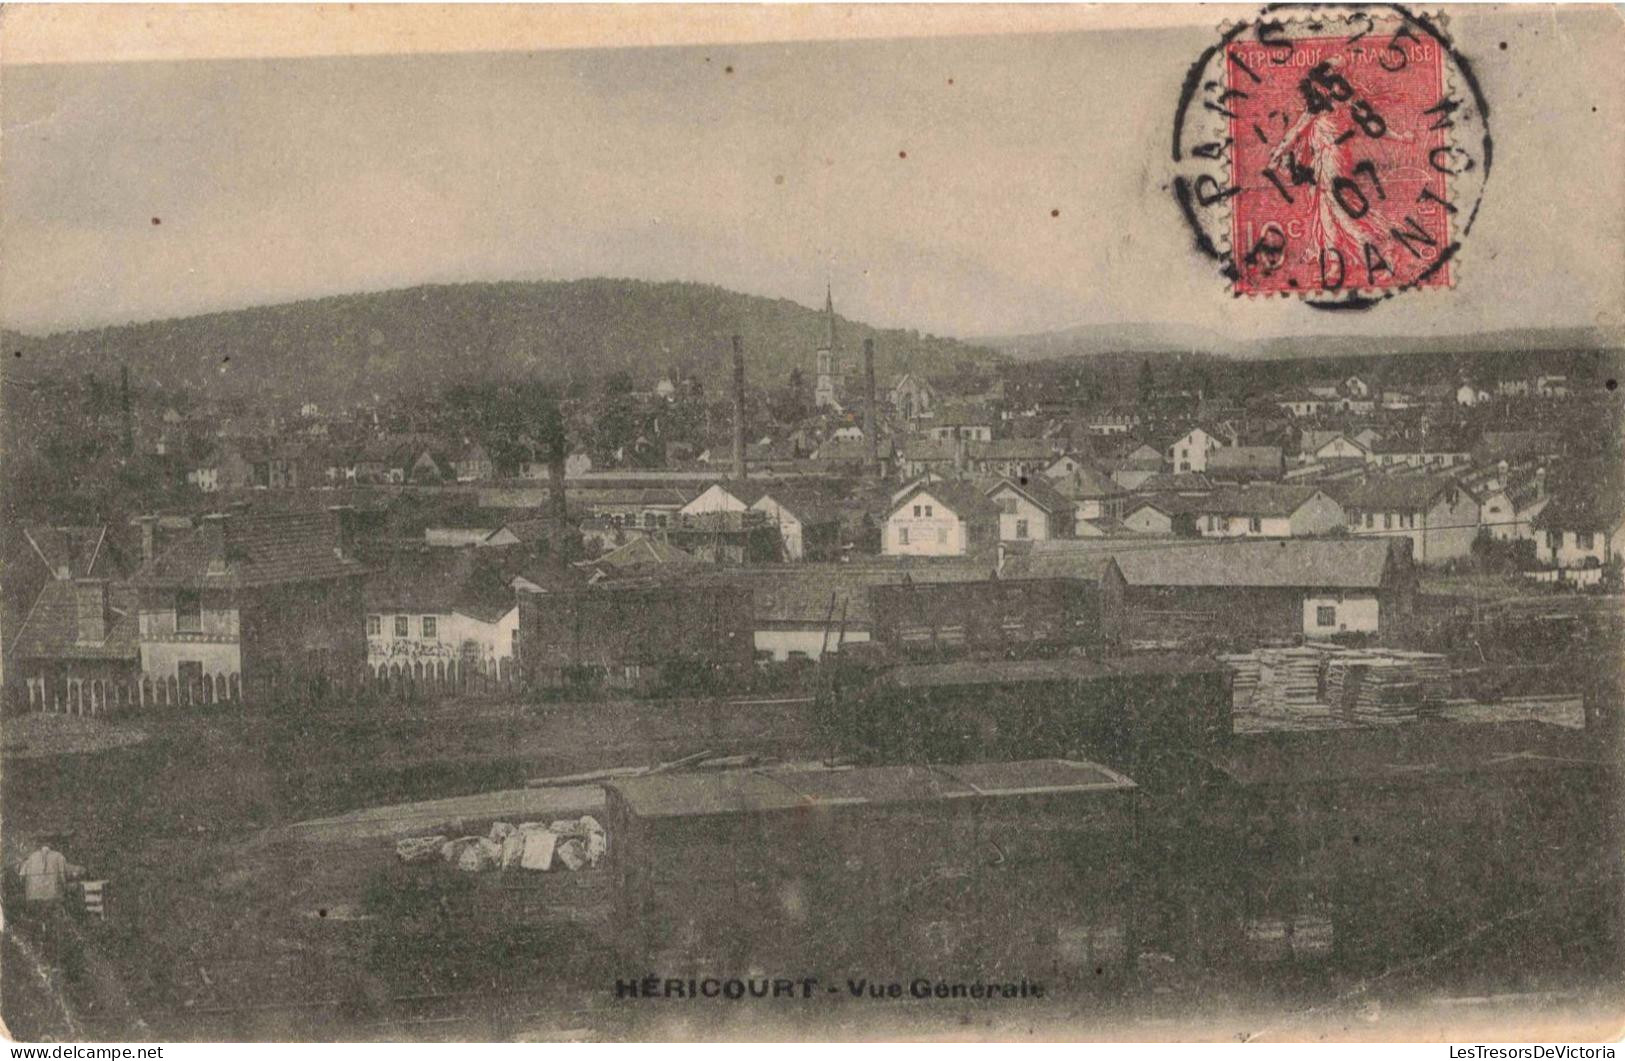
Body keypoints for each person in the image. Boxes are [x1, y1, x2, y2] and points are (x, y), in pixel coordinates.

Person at [18, 837, 83, 905]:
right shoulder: (59, 856)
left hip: (33, 897)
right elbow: (65, 873)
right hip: (54, 897)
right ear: (52, 845)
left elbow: (21, 875)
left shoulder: (31, 857)